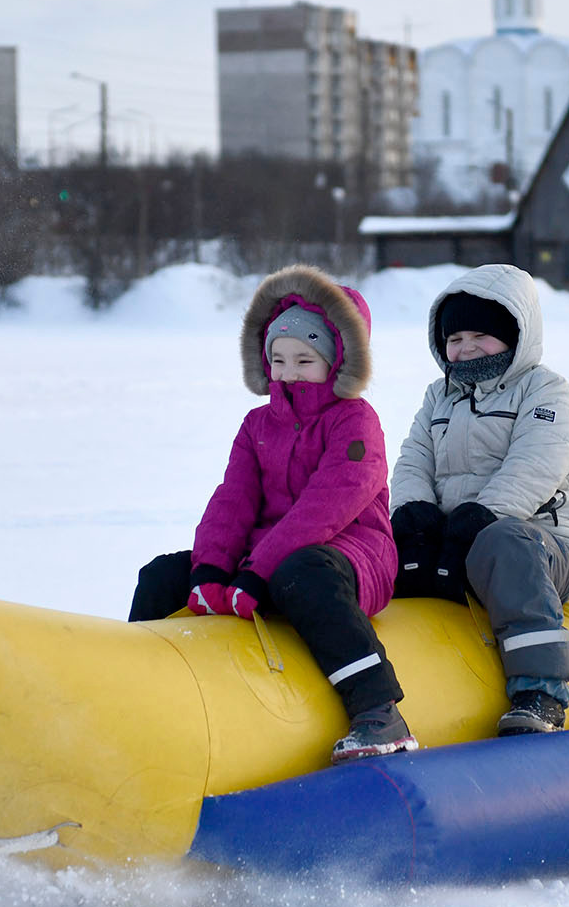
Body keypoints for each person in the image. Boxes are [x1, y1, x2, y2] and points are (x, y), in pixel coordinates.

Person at [128, 264, 415, 762]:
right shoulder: (257, 423)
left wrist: (258, 574)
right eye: (278, 359)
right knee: (162, 574)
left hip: (349, 554)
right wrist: (211, 569)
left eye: (304, 359)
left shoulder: (355, 421)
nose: (288, 372)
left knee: (301, 573)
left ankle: (378, 709)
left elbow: (324, 509)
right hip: (264, 559)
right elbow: (232, 499)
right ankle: (132, 689)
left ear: (338, 362)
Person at [389, 264, 569, 735]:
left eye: (481, 334)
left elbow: (535, 465)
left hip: (536, 546)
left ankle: (541, 690)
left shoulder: (546, 391)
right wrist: (414, 517)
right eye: (454, 338)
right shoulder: (438, 396)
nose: (467, 347)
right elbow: (413, 460)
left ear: (516, 335)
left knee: (504, 543)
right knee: (374, 542)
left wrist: (481, 519)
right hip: (451, 546)